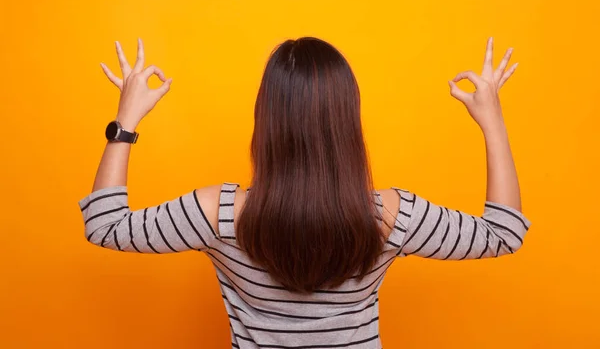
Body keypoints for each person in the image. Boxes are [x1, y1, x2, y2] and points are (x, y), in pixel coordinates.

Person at [79, 36, 531, 348]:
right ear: (347, 122)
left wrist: (126, 123)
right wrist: (492, 120)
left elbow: (104, 226)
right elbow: (505, 232)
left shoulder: (219, 213)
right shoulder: (391, 215)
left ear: (266, 120)